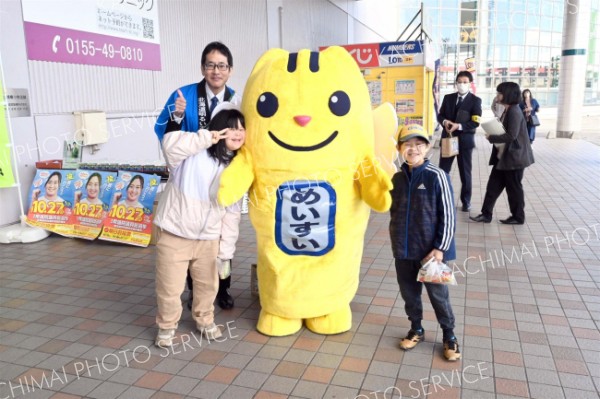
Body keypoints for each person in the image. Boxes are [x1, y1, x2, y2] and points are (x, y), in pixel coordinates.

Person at [154, 41, 241, 310]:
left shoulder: (236, 99)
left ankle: (222, 288)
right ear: (203, 67)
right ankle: (195, 290)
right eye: (211, 65)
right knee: (194, 236)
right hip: (193, 177)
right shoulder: (183, 95)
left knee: (223, 231)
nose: (216, 71)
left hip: (224, 173)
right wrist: (177, 114)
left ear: (230, 69)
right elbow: (166, 133)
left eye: (222, 66)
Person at [153, 104, 245, 347]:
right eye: (232, 128)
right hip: (174, 232)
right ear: (219, 129)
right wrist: (207, 137)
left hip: (209, 238)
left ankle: (204, 320)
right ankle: (167, 327)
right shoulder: (192, 155)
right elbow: (170, 145)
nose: (238, 133)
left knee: (207, 286)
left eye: (242, 129)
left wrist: (226, 252)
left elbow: (232, 215)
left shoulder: (237, 170)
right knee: (170, 287)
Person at [389, 124, 461, 362]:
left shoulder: (437, 176)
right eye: (407, 144)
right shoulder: (397, 179)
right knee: (409, 294)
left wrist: (440, 248)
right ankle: (416, 328)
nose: (413, 149)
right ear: (400, 148)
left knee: (438, 296)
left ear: (428, 147)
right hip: (403, 250)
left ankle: (449, 336)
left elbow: (448, 215)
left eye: (418, 144)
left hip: (431, 253)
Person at [470, 82, 534, 225]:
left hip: (514, 158)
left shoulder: (514, 111)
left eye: (500, 93)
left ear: (508, 95)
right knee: (493, 186)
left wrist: (491, 137)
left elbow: (511, 135)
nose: (497, 95)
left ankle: (518, 217)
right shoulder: (507, 110)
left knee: (514, 189)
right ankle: (486, 214)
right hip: (504, 157)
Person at [437, 71, 482, 212]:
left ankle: (466, 201)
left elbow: (475, 122)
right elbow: (440, 115)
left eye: (465, 82)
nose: (461, 84)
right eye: (459, 81)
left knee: (465, 173)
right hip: (448, 140)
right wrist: (444, 121)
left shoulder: (475, 101)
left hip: (464, 142)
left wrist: (460, 126)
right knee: (443, 171)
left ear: (470, 83)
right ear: (456, 83)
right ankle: (441, 199)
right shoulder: (448, 98)